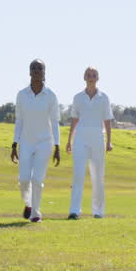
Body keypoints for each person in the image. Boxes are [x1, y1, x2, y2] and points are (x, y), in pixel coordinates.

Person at [11, 59, 61, 222]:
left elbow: (55, 122)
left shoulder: (51, 95)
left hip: (45, 142)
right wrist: (14, 144)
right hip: (26, 142)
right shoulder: (22, 95)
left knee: (37, 179)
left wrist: (57, 146)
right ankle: (28, 204)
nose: (37, 71)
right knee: (24, 180)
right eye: (33, 68)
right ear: (29, 72)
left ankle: (36, 213)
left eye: (40, 68)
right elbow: (19, 121)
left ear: (44, 72)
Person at [65, 66, 114, 219]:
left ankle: (98, 211)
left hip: (98, 138)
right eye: (88, 75)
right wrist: (69, 140)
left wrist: (109, 142)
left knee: (98, 176)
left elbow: (107, 120)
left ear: (97, 78)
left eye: (93, 75)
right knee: (78, 174)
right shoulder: (78, 97)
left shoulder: (104, 98)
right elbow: (74, 119)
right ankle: (74, 210)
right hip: (80, 138)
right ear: (84, 78)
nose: (91, 77)